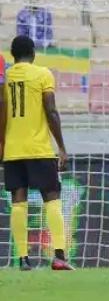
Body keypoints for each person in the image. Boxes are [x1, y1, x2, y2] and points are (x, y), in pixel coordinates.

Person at [0, 35, 72, 270]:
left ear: (12, 55)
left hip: (12, 149)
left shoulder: (5, 78)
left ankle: (22, 258)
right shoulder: (42, 74)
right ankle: (60, 256)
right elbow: (51, 111)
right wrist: (61, 146)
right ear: (33, 53)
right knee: (52, 197)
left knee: (18, 201)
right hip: (39, 149)